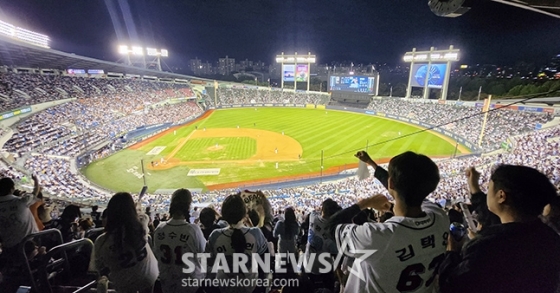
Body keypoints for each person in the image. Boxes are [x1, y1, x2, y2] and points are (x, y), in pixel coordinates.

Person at [327, 151, 449, 293]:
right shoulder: (440, 218)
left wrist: (366, 203)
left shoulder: (378, 236)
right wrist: (371, 163)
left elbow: (332, 226)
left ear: (391, 183)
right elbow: (407, 188)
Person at [438, 165, 560, 293]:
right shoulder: (550, 236)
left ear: (501, 196)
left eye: (489, 188)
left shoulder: (487, 248)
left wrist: (452, 253)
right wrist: (474, 187)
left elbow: (450, 286)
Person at [94, 192, 158, 293]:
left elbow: (99, 267)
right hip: (149, 275)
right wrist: (137, 209)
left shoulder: (101, 241)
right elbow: (144, 217)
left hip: (123, 283)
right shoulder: (140, 227)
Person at [206, 193, 268, 293]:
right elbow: (265, 262)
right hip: (251, 287)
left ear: (224, 214)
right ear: (244, 213)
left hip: (223, 287)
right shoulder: (255, 233)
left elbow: (208, 264)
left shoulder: (215, 235)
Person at [154, 189, 206, 293]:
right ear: (188, 206)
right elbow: (204, 254)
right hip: (191, 287)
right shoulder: (193, 230)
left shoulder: (159, 229)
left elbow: (156, 255)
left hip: (166, 286)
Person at [305, 198, 341, 291]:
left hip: (308, 264)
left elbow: (315, 212)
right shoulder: (332, 230)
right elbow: (335, 254)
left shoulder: (312, 217)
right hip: (325, 268)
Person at [0, 177, 39, 251]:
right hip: (29, 243)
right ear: (12, 189)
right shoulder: (21, 201)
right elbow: (35, 193)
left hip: (8, 247)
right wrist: (36, 181)